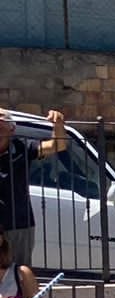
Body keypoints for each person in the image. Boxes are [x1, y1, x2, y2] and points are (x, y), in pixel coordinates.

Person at [0, 110, 67, 268]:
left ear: (12, 129)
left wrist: (58, 125)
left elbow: (58, 145)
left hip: (18, 223)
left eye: (0, 128)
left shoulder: (23, 147)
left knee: (19, 272)